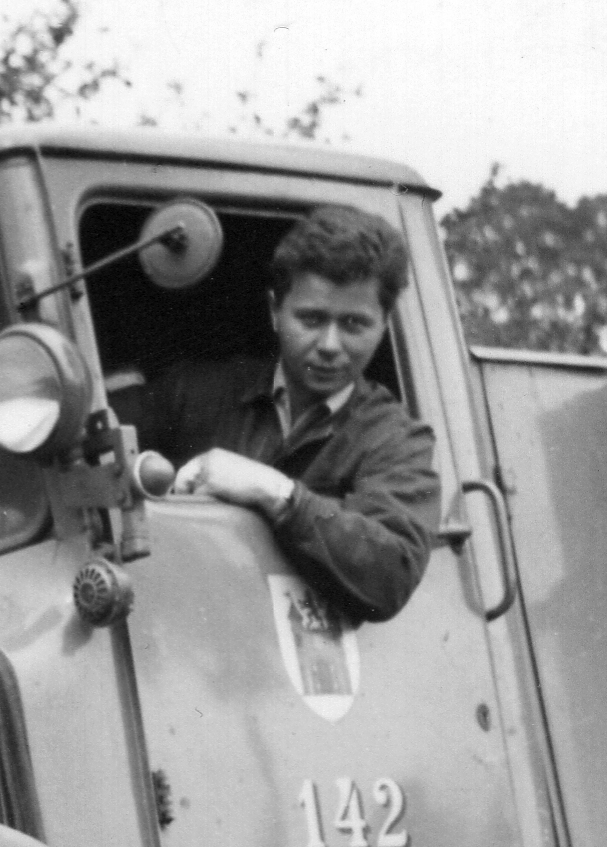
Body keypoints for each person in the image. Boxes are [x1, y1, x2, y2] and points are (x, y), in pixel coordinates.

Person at [141, 205, 440, 625]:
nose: (330, 345)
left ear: (384, 324)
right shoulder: (192, 392)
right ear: (274, 311)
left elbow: (391, 574)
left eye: (354, 324)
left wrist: (277, 493)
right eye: (312, 319)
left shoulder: (397, 440)